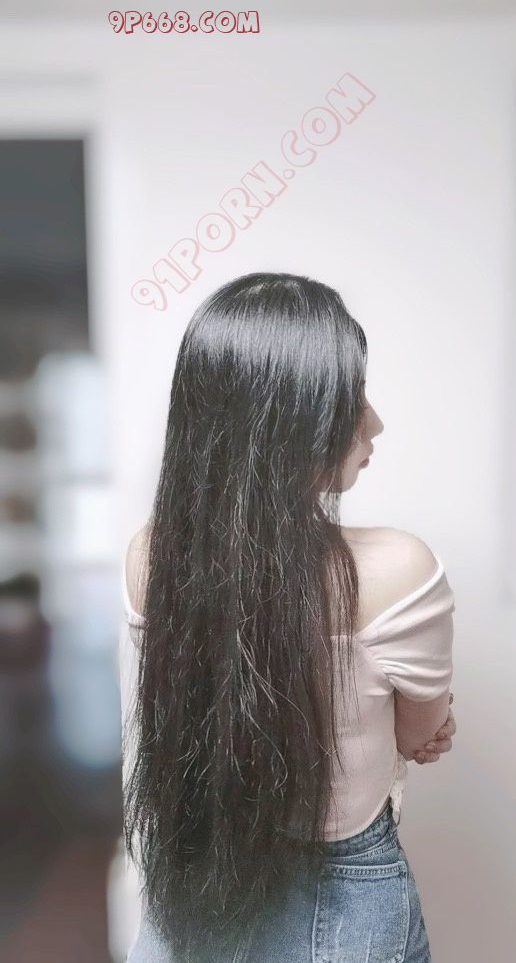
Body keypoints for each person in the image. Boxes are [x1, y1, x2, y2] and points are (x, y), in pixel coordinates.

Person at [121, 271, 457, 962]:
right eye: (350, 397)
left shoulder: (151, 556)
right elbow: (420, 732)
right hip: (341, 899)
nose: (373, 423)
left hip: (190, 886)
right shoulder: (399, 569)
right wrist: (424, 720)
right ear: (287, 419)